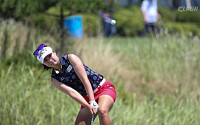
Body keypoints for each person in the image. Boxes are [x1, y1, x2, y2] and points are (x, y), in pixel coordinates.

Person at [33, 44, 117, 125]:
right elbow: (72, 92)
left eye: (50, 55)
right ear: (43, 64)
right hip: (86, 99)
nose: (50, 60)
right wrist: (88, 105)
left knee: (102, 111)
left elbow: (85, 80)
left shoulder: (70, 58)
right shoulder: (54, 79)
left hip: (102, 88)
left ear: (54, 52)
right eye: (46, 60)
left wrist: (92, 101)